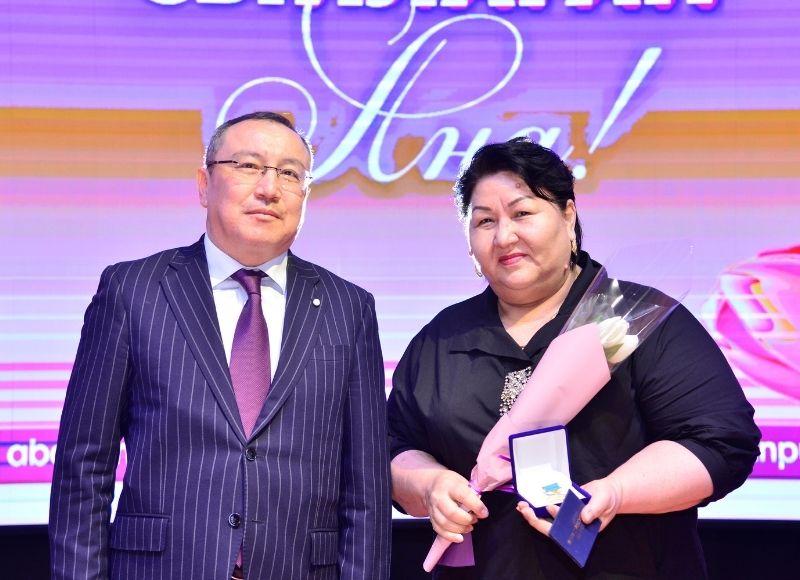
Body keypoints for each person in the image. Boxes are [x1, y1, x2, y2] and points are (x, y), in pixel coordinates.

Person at [387, 137, 760, 579]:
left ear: (568, 215)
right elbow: (392, 448)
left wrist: (616, 493)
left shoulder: (635, 320)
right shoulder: (441, 338)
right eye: (484, 221)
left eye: (522, 213)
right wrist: (428, 485)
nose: (504, 236)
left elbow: (721, 443)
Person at [49, 111, 391, 580]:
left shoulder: (348, 307)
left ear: (306, 194)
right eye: (248, 166)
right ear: (204, 184)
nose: (269, 188)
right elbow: (83, 466)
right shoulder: (132, 290)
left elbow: (366, 488)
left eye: (290, 173)